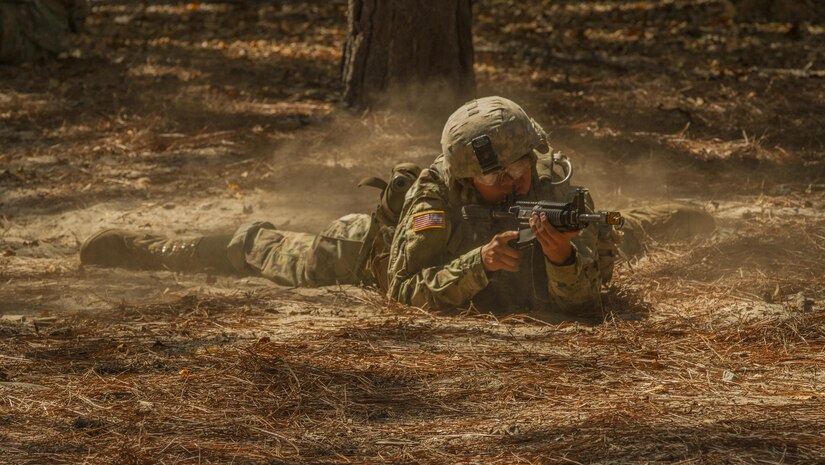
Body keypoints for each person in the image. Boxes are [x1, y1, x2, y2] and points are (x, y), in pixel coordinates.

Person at [80, 96, 715, 314]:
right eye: (503, 180)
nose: (521, 185)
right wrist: (479, 265)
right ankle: (151, 249)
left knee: (613, 230)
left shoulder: (553, 190)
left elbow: (584, 303)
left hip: (541, 251)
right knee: (265, 250)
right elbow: (405, 289)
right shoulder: (437, 196)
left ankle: (682, 212)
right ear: (470, 179)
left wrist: (565, 257)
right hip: (367, 256)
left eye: (526, 169)